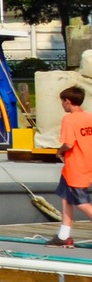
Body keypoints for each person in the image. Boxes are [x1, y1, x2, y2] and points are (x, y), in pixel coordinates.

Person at [49, 85, 92, 246]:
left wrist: (59, 152)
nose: (62, 105)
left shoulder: (69, 119)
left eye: (62, 102)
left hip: (76, 165)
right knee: (66, 198)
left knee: (81, 202)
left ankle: (63, 235)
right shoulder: (89, 117)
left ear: (67, 101)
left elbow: (68, 143)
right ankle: (63, 235)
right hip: (84, 162)